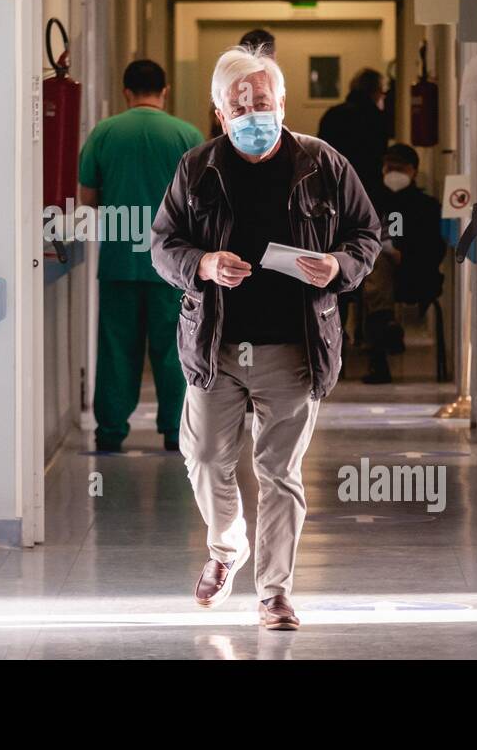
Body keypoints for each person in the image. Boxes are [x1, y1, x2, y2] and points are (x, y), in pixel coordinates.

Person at [150, 46, 380, 630]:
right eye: (239, 104)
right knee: (203, 456)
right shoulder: (197, 168)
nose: (253, 113)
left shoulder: (322, 163)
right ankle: (227, 547)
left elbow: (366, 234)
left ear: (281, 101)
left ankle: (274, 593)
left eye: (262, 101)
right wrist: (202, 264)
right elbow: (163, 245)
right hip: (217, 344)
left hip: (295, 344)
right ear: (219, 113)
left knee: (279, 472)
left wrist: (339, 267)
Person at [79, 60, 204, 453]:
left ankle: (111, 431)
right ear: (164, 90)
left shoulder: (104, 133)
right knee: (173, 348)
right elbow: (202, 201)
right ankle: (174, 430)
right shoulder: (187, 135)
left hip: (119, 260)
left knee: (118, 347)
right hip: (173, 265)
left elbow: (87, 198)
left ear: (125, 90)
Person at [361, 143, 445, 383]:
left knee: (375, 278)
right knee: (376, 262)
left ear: (414, 172)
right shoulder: (370, 201)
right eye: (390, 167)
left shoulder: (427, 207)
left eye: (401, 168)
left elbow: (434, 249)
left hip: (414, 275)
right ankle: (386, 325)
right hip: (375, 274)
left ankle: (381, 348)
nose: (394, 173)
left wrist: (404, 255)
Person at [317, 67, 394, 206]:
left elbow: (321, 152)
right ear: (375, 92)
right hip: (367, 185)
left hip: (335, 183)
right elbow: (378, 154)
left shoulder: (333, 114)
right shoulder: (376, 118)